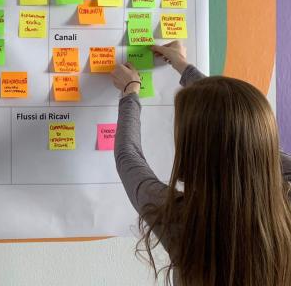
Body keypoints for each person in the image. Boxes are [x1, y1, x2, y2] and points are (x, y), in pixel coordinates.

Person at [110, 41, 291, 286]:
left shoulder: (183, 221)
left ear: (194, 155)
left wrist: (130, 92)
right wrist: (184, 68)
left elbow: (128, 157)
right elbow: (241, 125)